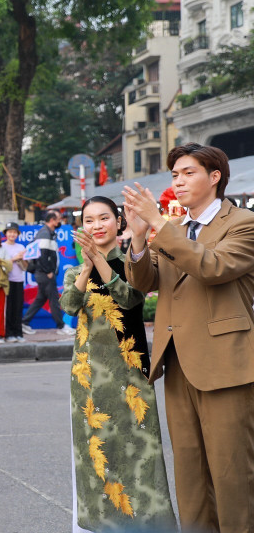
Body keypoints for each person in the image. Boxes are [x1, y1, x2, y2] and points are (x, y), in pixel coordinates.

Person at [123, 143, 254, 533]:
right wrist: (138, 237)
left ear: (215, 177)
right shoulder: (175, 228)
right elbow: (144, 281)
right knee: (191, 474)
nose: (178, 181)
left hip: (226, 363)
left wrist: (160, 226)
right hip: (177, 360)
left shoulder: (243, 223)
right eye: (175, 175)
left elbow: (212, 267)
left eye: (188, 173)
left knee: (232, 475)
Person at [59, 197, 175, 531]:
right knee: (97, 453)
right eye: (89, 220)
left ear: (119, 222)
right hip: (88, 378)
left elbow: (130, 299)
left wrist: (102, 264)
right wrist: (86, 267)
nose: (96, 225)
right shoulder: (72, 270)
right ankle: (99, 524)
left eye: (103, 218)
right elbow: (68, 305)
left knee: (139, 451)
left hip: (130, 376)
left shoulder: (135, 262)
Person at [22, 211, 74, 336]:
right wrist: (48, 271)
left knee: (40, 299)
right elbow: (42, 255)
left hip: (42, 273)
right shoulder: (45, 233)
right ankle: (61, 326)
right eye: (58, 219)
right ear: (52, 220)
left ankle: (24, 322)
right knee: (54, 299)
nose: (60, 221)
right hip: (45, 274)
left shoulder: (48, 233)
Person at [3, 223, 27, 343]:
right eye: (10, 232)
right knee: (8, 308)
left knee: (18, 308)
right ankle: (8, 333)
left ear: (17, 234)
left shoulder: (21, 247)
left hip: (19, 280)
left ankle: (18, 333)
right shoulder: (2, 247)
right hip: (6, 281)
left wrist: (22, 258)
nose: (12, 234)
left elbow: (25, 267)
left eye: (14, 232)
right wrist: (13, 258)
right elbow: (0, 264)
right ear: (6, 233)